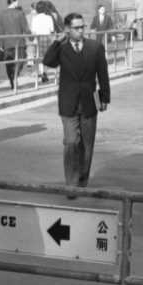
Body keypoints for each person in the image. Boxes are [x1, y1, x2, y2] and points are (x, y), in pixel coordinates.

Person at [43, 12, 110, 194]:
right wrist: (57, 41)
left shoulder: (95, 47)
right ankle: (71, 185)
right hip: (68, 102)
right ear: (67, 29)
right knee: (72, 141)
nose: (81, 31)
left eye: (83, 27)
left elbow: (103, 74)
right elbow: (47, 61)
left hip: (89, 102)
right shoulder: (62, 48)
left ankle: (82, 180)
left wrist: (104, 98)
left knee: (87, 145)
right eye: (76, 28)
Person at [0, 0, 30, 89]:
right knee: (21, 60)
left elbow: (1, 30)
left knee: (9, 62)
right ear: (15, 1)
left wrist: (1, 43)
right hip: (19, 42)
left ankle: (12, 78)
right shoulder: (20, 13)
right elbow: (25, 28)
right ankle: (15, 76)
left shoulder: (1, 14)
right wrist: (33, 38)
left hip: (7, 42)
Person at [29, 1, 55, 84]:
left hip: (38, 38)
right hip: (47, 38)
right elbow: (52, 30)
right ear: (45, 9)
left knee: (39, 57)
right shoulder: (49, 18)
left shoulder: (34, 18)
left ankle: (41, 71)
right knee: (47, 56)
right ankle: (45, 72)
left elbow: (33, 30)